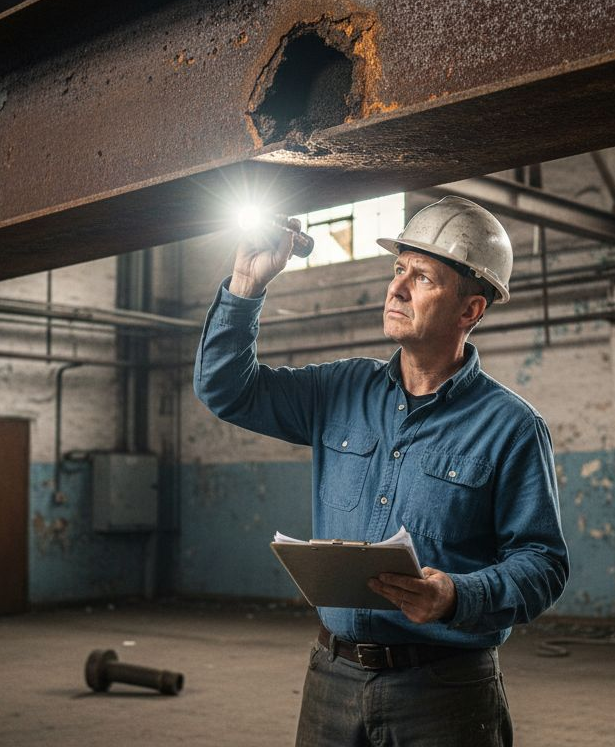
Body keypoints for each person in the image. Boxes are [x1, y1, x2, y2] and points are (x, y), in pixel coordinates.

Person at [195, 195, 569, 746]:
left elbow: (543, 564)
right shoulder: (339, 390)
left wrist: (457, 596)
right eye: (398, 269)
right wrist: (246, 285)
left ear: (470, 311)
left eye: (422, 277)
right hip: (333, 677)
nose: (396, 288)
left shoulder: (511, 426)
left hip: (444, 690)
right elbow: (226, 390)